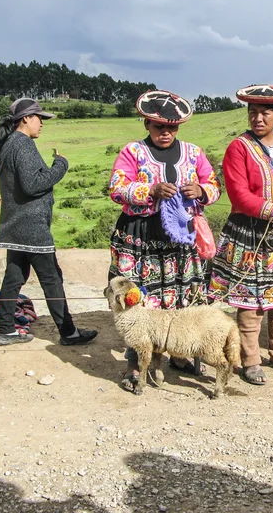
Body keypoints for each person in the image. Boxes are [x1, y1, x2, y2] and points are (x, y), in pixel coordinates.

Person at [108, 89, 221, 390]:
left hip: (181, 240)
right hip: (141, 235)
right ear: (147, 124)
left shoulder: (194, 154)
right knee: (136, 299)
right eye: (159, 127)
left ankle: (179, 353)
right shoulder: (132, 152)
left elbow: (213, 184)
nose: (166, 132)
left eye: (171, 127)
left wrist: (202, 191)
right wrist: (150, 191)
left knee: (182, 295)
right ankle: (135, 362)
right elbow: (117, 188)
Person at [209, 84, 273, 385]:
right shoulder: (238, 148)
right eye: (253, 112)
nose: (258, 118)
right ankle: (251, 360)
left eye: (265, 112)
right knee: (251, 300)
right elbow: (239, 195)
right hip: (251, 235)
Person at [0, 98, 98, 347]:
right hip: (32, 226)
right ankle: (68, 332)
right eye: (40, 118)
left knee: (14, 278)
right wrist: (60, 165)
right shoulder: (22, 144)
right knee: (52, 278)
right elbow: (33, 185)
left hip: (13, 224)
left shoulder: (6, 145)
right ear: (26, 118)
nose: (42, 123)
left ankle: (6, 329)